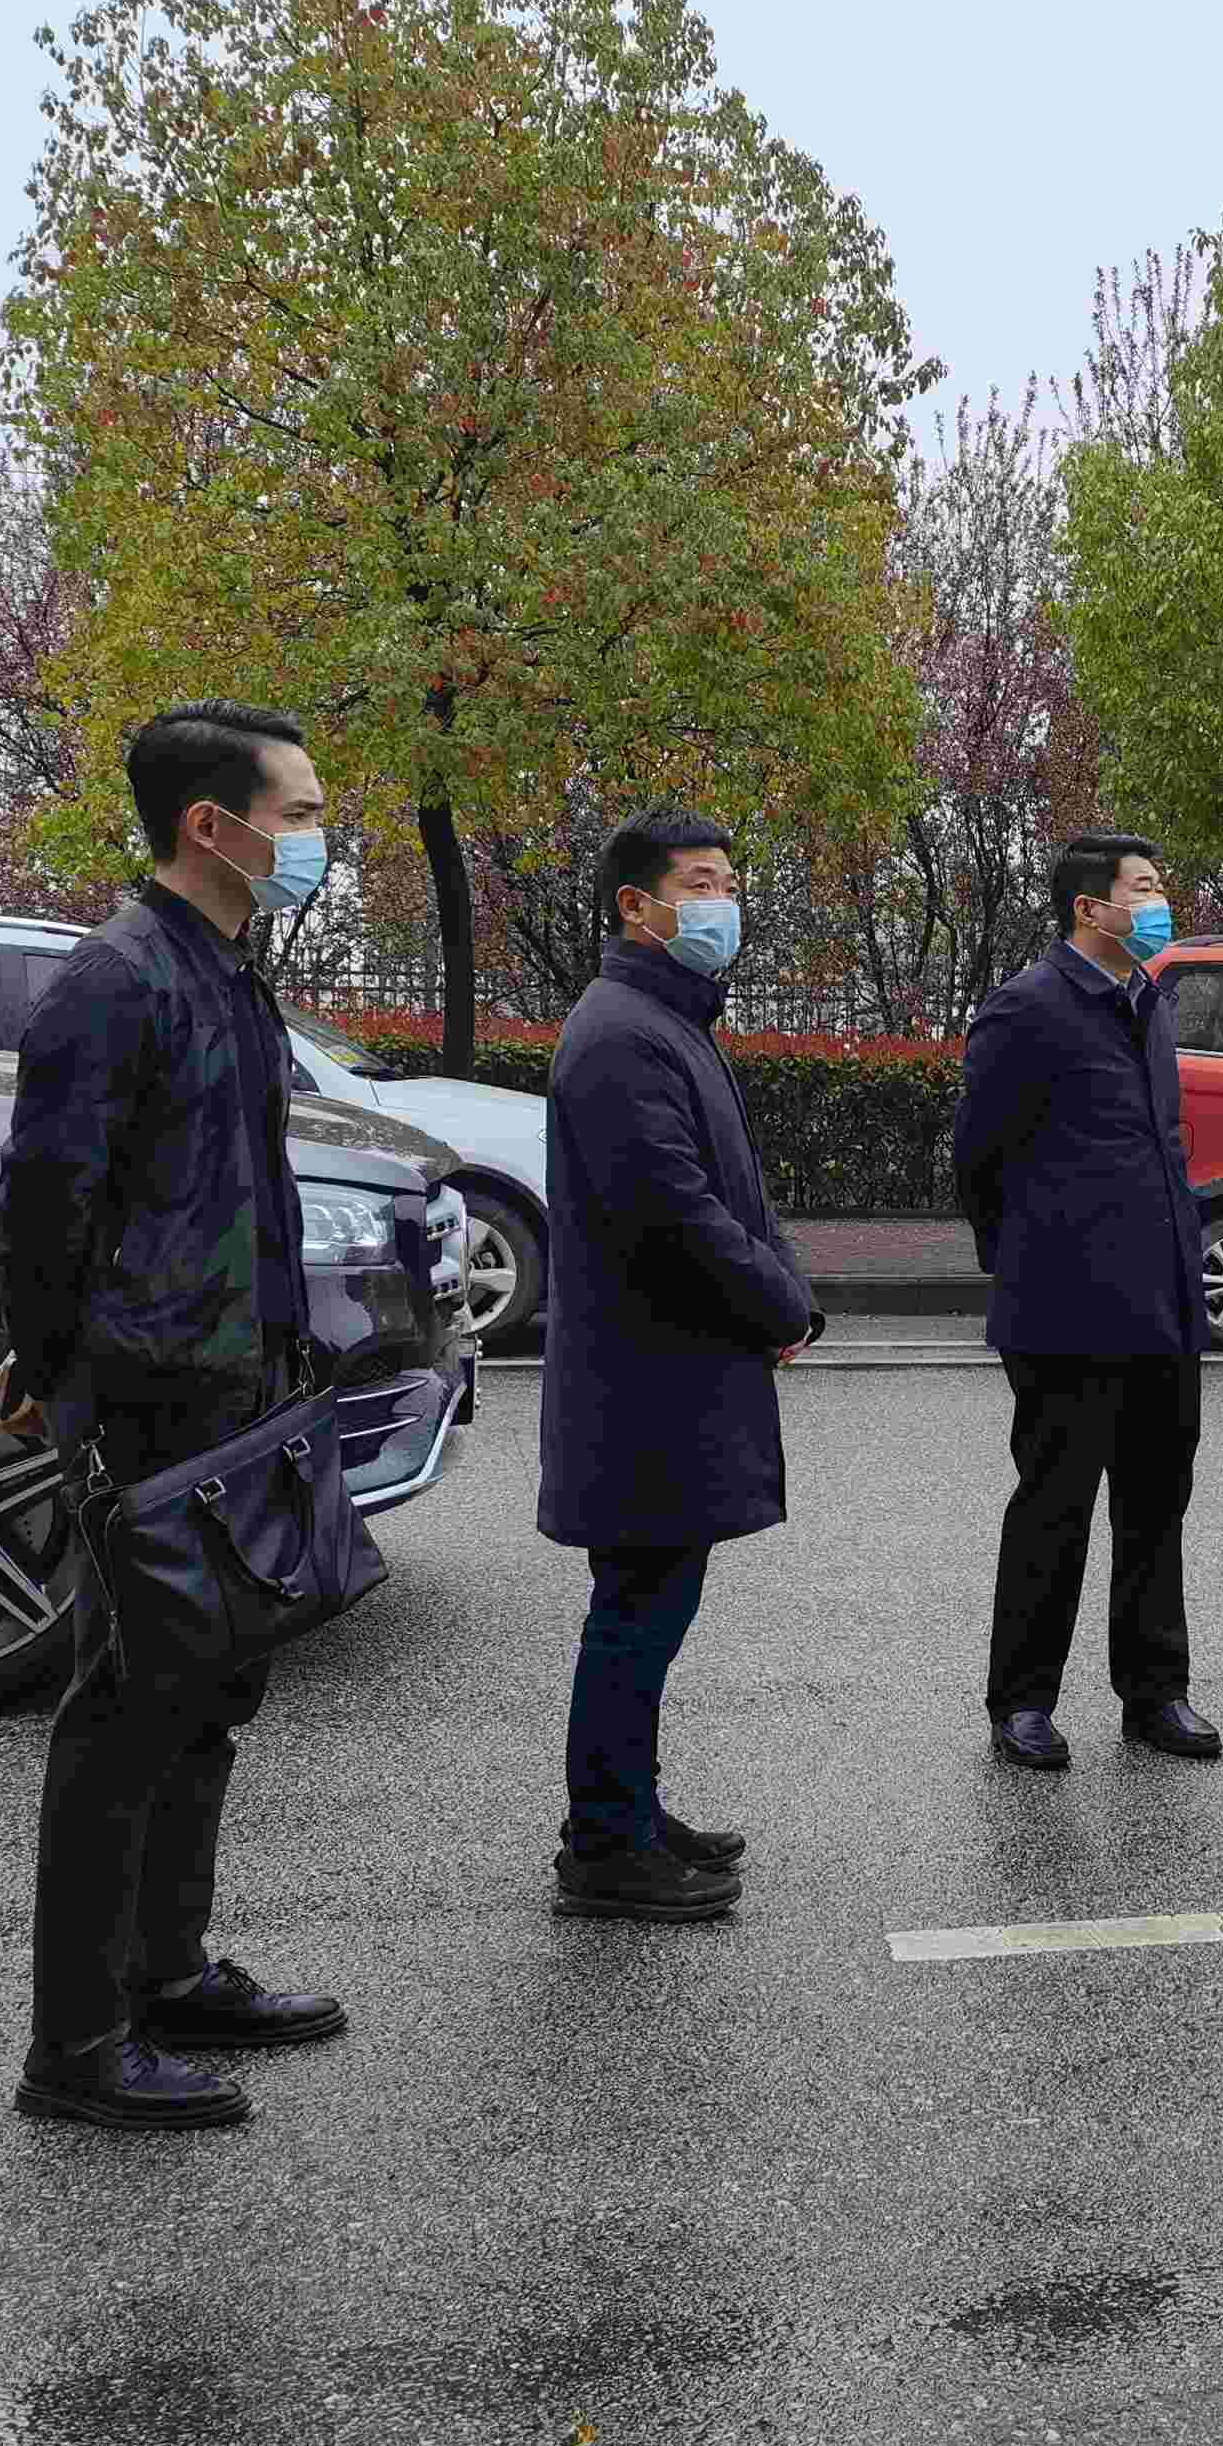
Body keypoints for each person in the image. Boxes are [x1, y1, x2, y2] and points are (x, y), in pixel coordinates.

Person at [0, 700, 349, 2133]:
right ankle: (77, 2044)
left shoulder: (227, 971)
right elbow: (45, 1196)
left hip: (234, 1382)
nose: (319, 839)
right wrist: (49, 1361)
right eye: (300, 813)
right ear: (213, 825)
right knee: (128, 1712)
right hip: (152, 1391)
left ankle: (170, 1972)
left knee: (208, 1691)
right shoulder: (118, 978)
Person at [537, 811, 826, 1922]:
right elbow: (674, 1212)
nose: (724, 903)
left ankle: (629, 1809)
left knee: (649, 1608)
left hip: (671, 1372)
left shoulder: (665, 1019)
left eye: (729, 883)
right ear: (636, 905)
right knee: (635, 1614)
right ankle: (605, 1846)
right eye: (701, 883)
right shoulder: (622, 1033)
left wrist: (784, 1283)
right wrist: (780, 1301)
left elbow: (736, 1191)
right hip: (646, 1383)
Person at [952, 833, 1222, 1769]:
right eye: (1143, 888)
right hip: (1065, 1312)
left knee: (1157, 1506)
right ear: (1089, 907)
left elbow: (1161, 1145)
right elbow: (978, 1159)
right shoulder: (1027, 1008)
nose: (1158, 901)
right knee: (1054, 1509)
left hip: (1163, 1304)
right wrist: (1031, 1262)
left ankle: (1156, 1691)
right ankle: (1023, 1702)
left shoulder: (1147, 1001)